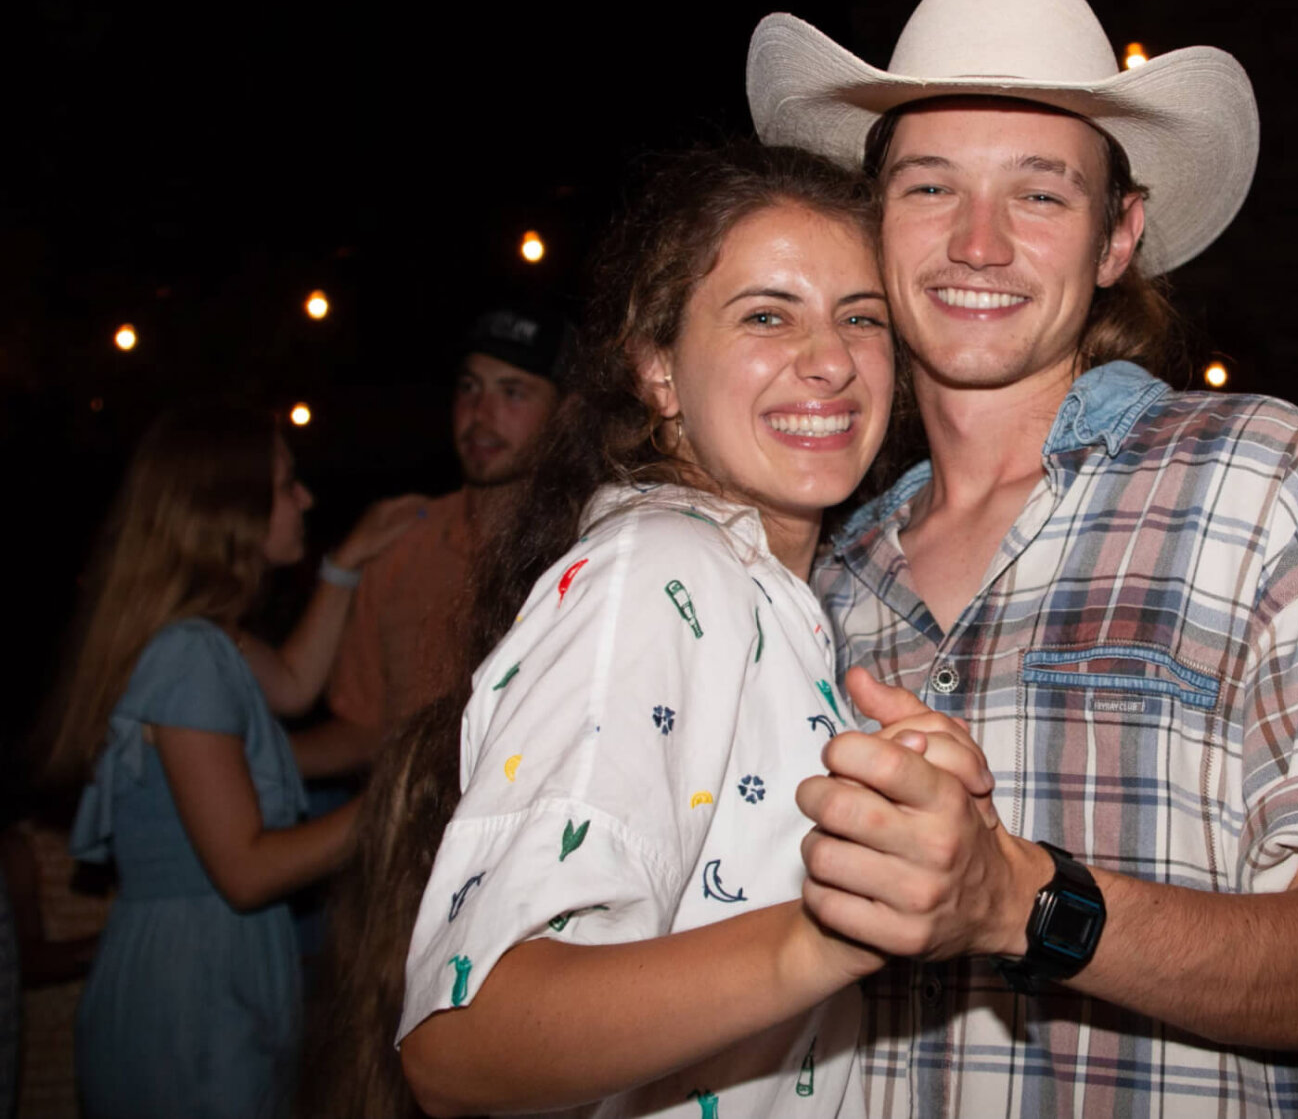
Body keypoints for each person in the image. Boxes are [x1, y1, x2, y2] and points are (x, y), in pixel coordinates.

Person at [747, 0, 1298, 1116]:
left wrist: (1018, 902)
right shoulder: (813, 574)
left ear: (1116, 237)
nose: (977, 243)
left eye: (1038, 192)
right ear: (871, 221)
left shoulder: (1262, 479)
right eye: (930, 185)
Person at [331, 143, 981, 1119]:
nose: (832, 360)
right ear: (657, 367)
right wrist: (833, 931)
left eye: (863, 317)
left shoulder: (767, 592)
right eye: (767, 315)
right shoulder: (663, 573)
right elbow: (464, 1036)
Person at [44, 406, 423, 1118]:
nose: (305, 498)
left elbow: (295, 684)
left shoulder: (210, 637)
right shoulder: (187, 655)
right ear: (229, 511)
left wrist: (343, 564)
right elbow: (247, 870)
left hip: (210, 962)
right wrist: (397, 795)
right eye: (286, 485)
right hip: (187, 982)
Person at [291, 303, 570, 779]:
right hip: (408, 847)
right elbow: (364, 730)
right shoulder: (401, 543)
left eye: (513, 392)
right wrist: (236, 760)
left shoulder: (594, 550)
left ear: (569, 414)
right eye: (469, 387)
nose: (480, 414)